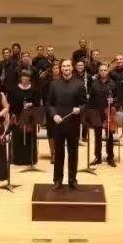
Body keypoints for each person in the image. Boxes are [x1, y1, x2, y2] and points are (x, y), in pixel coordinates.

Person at [47, 59, 88, 190]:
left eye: (68, 66)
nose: (66, 68)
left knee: (73, 153)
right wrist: (54, 115)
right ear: (61, 68)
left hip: (73, 123)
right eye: (64, 66)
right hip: (58, 123)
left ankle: (72, 179)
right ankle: (57, 180)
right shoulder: (54, 84)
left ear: (72, 68)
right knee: (59, 153)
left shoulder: (79, 84)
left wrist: (79, 109)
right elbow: (49, 104)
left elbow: (85, 103)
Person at [87, 63, 118, 166]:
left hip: (108, 113)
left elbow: (118, 98)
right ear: (99, 72)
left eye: (105, 70)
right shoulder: (94, 83)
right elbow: (91, 99)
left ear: (107, 71)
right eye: (101, 70)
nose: (103, 72)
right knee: (97, 136)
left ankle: (110, 158)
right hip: (97, 113)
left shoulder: (113, 84)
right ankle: (98, 157)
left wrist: (113, 101)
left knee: (109, 136)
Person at [8, 70, 40, 166]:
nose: (25, 79)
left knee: (30, 138)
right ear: (20, 78)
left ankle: (30, 159)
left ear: (29, 79)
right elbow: (11, 104)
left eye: (27, 78)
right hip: (17, 117)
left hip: (30, 118)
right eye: (23, 78)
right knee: (18, 138)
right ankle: (18, 159)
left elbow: (37, 103)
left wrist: (31, 104)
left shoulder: (34, 89)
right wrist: (13, 115)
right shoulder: (14, 89)